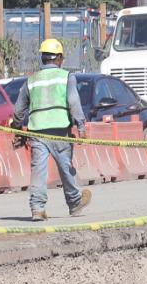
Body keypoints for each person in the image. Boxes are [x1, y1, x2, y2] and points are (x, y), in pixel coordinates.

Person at [11, 38, 92, 221]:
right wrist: (80, 126)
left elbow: (18, 111)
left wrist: (17, 130)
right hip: (60, 130)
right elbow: (73, 102)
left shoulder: (31, 80)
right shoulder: (66, 77)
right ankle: (74, 202)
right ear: (59, 58)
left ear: (43, 58)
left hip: (37, 131)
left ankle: (37, 208)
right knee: (65, 167)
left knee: (38, 170)